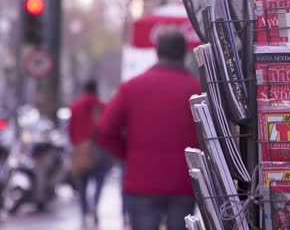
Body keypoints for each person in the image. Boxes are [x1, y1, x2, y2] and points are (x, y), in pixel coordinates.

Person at [97, 28, 202, 230]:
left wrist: (126, 153)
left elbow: (105, 130)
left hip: (141, 180)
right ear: (184, 53)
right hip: (183, 181)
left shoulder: (131, 88)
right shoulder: (196, 90)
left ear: (157, 51)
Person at [68, 79, 112, 226]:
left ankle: (83, 213)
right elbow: (108, 127)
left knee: (81, 184)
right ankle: (95, 204)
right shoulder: (103, 106)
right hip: (100, 148)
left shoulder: (75, 106)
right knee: (99, 180)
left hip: (80, 149)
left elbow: (70, 129)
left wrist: (75, 144)